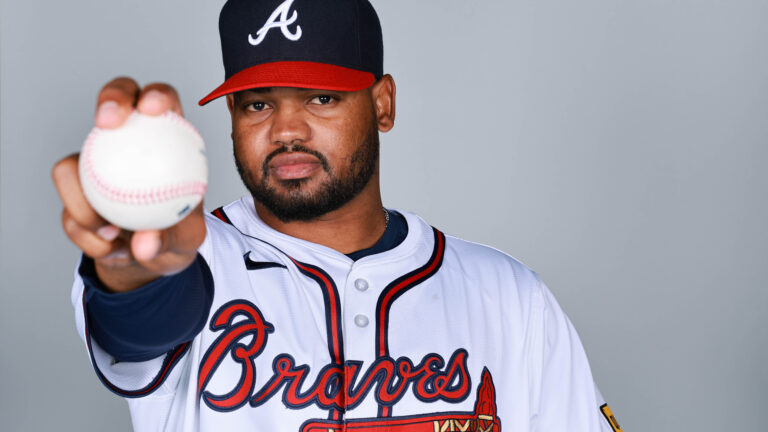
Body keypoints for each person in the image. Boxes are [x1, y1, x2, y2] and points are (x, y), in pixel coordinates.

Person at [52, 0, 622, 431]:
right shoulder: (192, 262)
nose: (286, 130)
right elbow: (141, 323)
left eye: (321, 97)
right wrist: (134, 270)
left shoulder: (509, 297)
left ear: (382, 104)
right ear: (231, 114)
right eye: (259, 103)